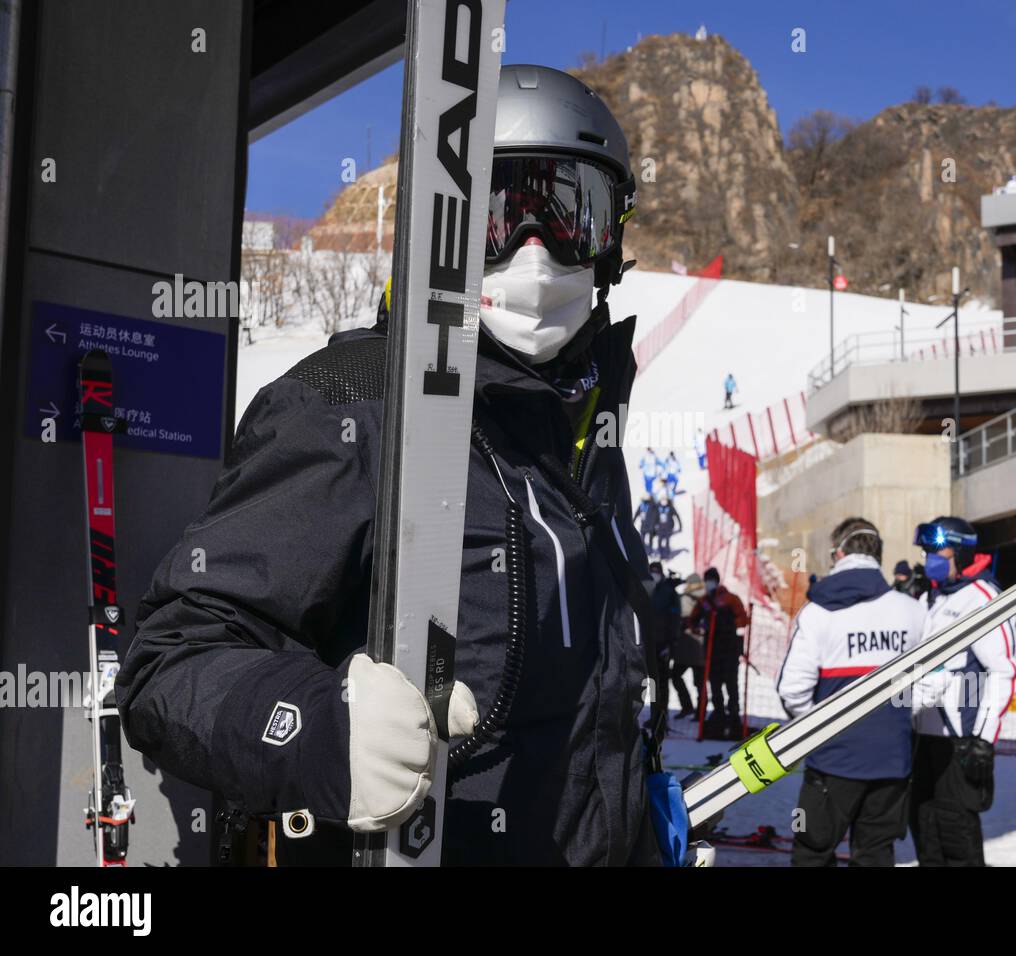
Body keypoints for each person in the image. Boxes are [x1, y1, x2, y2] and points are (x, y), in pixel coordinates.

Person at [116, 65, 662, 867]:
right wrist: (316, 731)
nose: (535, 253)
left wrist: (635, 810)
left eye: (569, 213)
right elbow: (171, 664)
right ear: (436, 232)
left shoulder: (578, 439)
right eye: (497, 215)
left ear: (612, 240)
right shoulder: (352, 406)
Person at [777, 518, 926, 866]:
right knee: (875, 853)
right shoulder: (913, 610)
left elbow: (791, 691)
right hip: (893, 759)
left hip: (832, 760)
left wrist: (819, 728)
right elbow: (931, 684)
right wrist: (896, 717)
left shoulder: (817, 612)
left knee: (812, 852)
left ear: (839, 552)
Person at [910, 517, 1016, 866]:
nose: (930, 557)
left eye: (937, 550)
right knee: (924, 827)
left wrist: (984, 738)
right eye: (927, 551)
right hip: (921, 734)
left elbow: (1005, 671)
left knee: (956, 830)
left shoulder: (983, 598)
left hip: (960, 738)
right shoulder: (931, 597)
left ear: (960, 551)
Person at [687, 567, 749, 739]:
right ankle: (719, 714)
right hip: (711, 650)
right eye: (706, 580)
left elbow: (743, 619)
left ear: (717, 580)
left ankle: (734, 716)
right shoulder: (704, 601)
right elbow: (693, 621)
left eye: (711, 580)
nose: (708, 583)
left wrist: (727, 623)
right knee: (714, 685)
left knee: (731, 685)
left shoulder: (730, 599)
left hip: (729, 650)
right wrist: (700, 628)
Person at [647, 562, 681, 710]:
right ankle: (654, 711)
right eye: (652, 572)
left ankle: (662, 714)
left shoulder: (670, 592)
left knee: (662, 680)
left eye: (657, 572)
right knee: (651, 681)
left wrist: (671, 643)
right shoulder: (645, 589)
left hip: (663, 643)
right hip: (648, 643)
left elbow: (675, 620)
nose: (654, 575)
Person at [652, 491, 681, 560]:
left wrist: (680, 525)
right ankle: (661, 554)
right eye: (662, 499)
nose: (664, 501)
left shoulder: (670, 507)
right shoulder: (658, 507)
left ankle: (667, 555)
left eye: (665, 500)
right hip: (660, 528)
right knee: (659, 541)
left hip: (668, 527)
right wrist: (654, 526)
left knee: (667, 542)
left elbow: (677, 515)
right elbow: (655, 517)